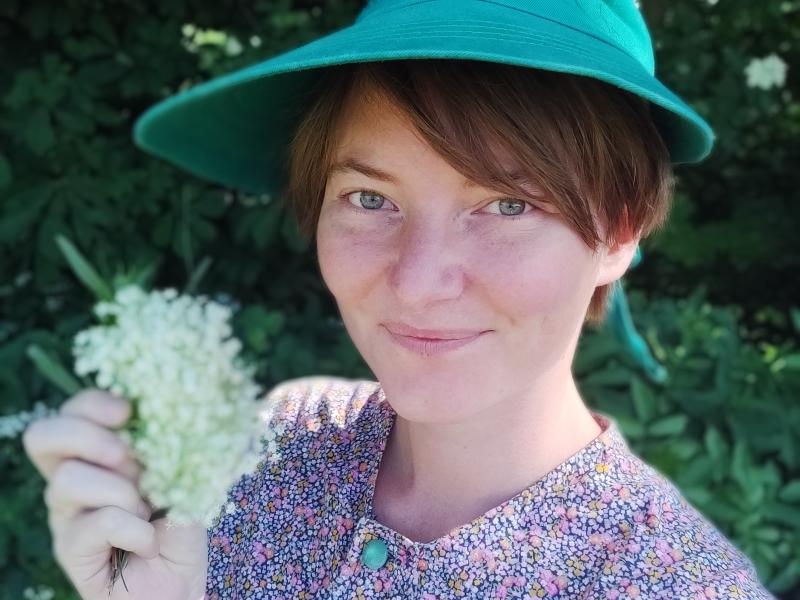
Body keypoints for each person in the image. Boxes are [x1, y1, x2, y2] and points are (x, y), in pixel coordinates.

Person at [24, 1, 777, 598]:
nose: (417, 281)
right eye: (368, 196)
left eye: (508, 205)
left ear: (619, 231)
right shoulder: (273, 443)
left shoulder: (674, 584)